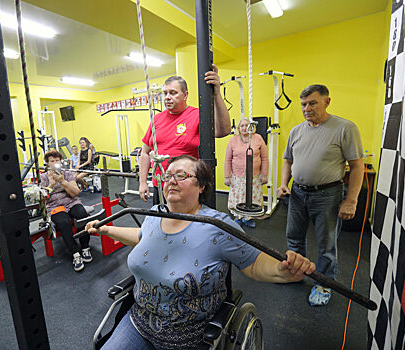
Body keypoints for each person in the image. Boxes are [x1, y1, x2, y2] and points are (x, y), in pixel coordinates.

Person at [87, 155, 315, 350]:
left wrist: (282, 271)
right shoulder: (156, 213)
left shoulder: (216, 226)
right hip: (138, 322)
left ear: (202, 186)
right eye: (167, 176)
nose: (171, 181)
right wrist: (107, 230)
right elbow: (141, 237)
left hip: (188, 337)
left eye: (182, 175)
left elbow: (254, 263)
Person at [276, 84, 364, 307]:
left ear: (327, 102)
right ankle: (295, 274)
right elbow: (288, 160)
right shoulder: (297, 130)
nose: (307, 108)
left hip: (328, 194)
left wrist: (351, 201)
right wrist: (283, 184)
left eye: (312, 103)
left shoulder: (345, 128)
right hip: (297, 193)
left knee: (327, 244)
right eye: (303, 104)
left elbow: (356, 166)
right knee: (294, 238)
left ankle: (324, 283)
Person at [138, 65, 232, 204]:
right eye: (165, 93)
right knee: (163, 223)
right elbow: (145, 152)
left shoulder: (197, 115)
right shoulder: (156, 119)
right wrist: (143, 182)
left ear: (185, 95)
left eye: (173, 93)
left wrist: (216, 93)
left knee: (187, 224)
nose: (167, 97)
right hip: (161, 186)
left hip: (186, 187)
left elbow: (223, 131)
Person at [41, 150, 92, 272]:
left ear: (61, 161)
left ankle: (85, 248)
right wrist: (52, 184)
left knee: (82, 214)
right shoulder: (43, 177)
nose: (54, 163)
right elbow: (43, 199)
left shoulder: (68, 174)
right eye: (51, 161)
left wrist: (63, 181)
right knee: (64, 222)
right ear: (48, 163)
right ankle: (75, 254)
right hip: (54, 205)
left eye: (57, 160)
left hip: (71, 201)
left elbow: (75, 193)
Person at [224, 118, 269, 228]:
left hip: (254, 175)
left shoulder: (258, 138)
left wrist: (264, 174)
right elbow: (227, 159)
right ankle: (238, 218)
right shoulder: (233, 140)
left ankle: (248, 218)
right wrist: (227, 176)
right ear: (239, 128)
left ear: (252, 127)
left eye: (247, 125)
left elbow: (265, 158)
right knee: (238, 198)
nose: (244, 128)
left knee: (252, 198)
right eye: (242, 126)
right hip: (237, 176)